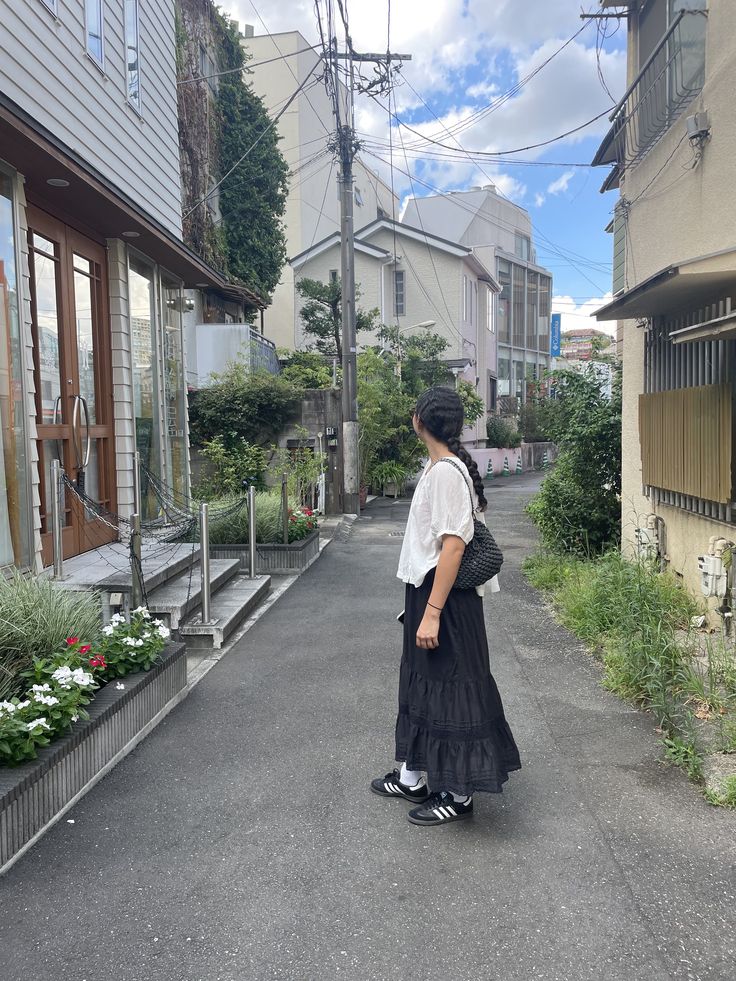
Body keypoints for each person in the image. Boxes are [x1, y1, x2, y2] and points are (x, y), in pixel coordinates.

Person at [371, 386, 521, 826]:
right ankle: (414, 775)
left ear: (420, 420)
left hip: (447, 599)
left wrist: (433, 612)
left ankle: (458, 794)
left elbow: (454, 545)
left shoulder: (446, 473)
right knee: (423, 682)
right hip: (430, 591)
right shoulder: (439, 467)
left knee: (452, 686)